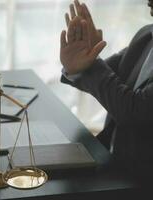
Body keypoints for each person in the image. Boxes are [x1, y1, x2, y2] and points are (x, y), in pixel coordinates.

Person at [60, 0, 153, 184]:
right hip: (114, 162)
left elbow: (133, 110)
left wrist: (91, 63)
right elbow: (111, 77)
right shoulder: (147, 34)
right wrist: (84, 58)